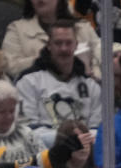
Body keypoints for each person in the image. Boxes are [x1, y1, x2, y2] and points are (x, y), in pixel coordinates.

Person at [14, 19, 102, 148]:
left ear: (76, 45)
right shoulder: (28, 81)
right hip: (45, 156)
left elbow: (98, 130)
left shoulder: (91, 86)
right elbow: (26, 132)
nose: (64, 48)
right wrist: (68, 140)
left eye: (68, 43)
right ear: (49, 45)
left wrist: (80, 141)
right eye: (58, 43)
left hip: (86, 156)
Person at [1, 0, 101, 80]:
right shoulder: (16, 29)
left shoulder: (83, 28)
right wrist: (47, 59)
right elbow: (10, 67)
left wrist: (95, 75)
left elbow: (104, 57)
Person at [0, 79, 42, 165]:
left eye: (12, 111)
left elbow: (44, 161)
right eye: (1, 112)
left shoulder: (26, 133)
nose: (8, 117)